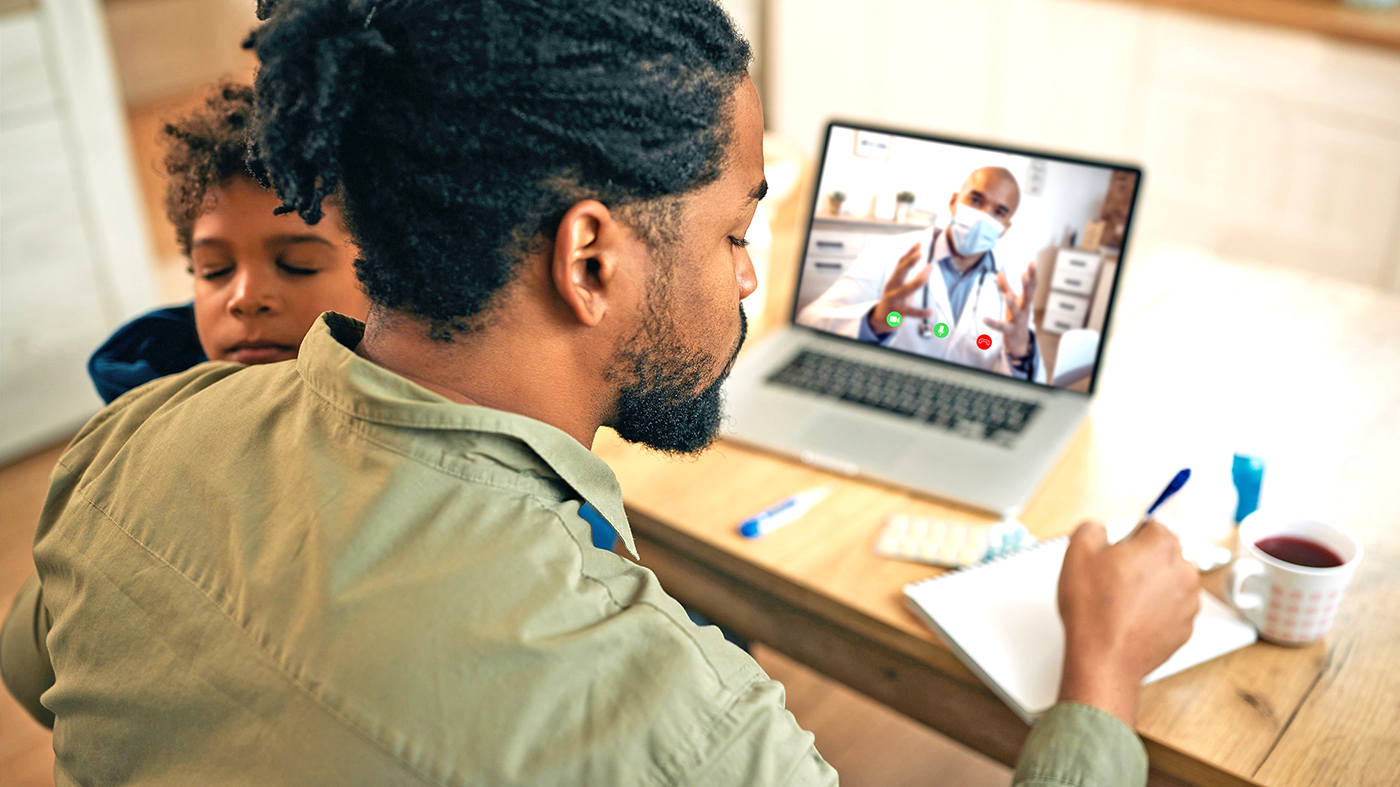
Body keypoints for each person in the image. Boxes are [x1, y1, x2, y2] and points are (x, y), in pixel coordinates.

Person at [0, 1, 1198, 784]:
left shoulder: (133, 445)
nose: (746, 276)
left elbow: (36, 669)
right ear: (590, 260)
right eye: (736, 230)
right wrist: (1097, 676)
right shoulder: (689, 740)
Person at [87, 82, 370, 404]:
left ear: (385, 278)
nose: (245, 298)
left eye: (297, 265)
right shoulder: (138, 419)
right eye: (214, 270)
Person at [798, 166, 1046, 382]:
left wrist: (1021, 353)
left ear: (1005, 228)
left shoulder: (1012, 286)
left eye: (999, 212)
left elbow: (1032, 382)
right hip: (885, 385)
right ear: (953, 202)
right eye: (976, 201)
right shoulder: (888, 252)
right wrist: (873, 322)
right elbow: (809, 320)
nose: (983, 217)